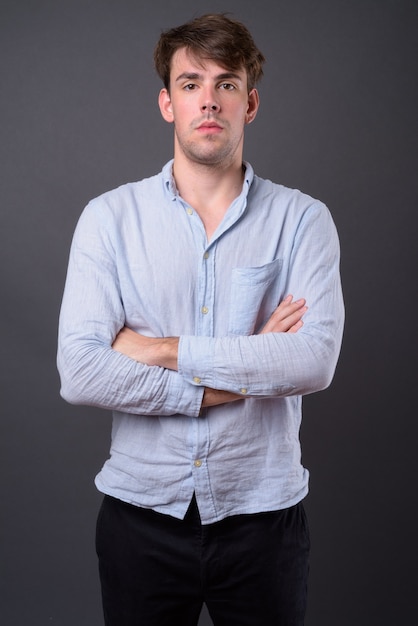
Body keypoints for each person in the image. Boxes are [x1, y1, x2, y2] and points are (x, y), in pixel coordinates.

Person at [57, 12, 344, 626]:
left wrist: (162, 350)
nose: (208, 102)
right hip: (141, 519)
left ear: (251, 102)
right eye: (190, 85)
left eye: (226, 84)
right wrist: (244, 367)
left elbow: (313, 361)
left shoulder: (303, 221)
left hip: (264, 519)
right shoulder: (108, 219)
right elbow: (81, 373)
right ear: (167, 103)